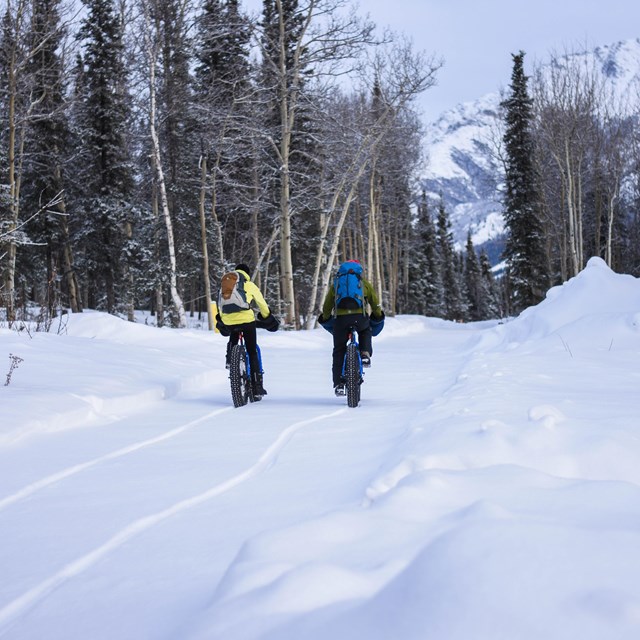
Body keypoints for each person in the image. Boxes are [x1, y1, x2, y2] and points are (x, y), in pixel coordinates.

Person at [318, 260, 384, 397]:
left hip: (340, 321)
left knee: (339, 350)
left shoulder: (336, 284)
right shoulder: (363, 283)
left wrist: (326, 317)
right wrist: (377, 316)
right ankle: (365, 353)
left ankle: (339, 384)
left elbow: (327, 306)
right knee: (365, 331)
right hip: (360, 318)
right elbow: (374, 302)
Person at [215, 263, 279, 397]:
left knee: (234, 333)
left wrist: (223, 320)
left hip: (227, 320)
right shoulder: (248, 285)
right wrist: (268, 318)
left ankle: (230, 359)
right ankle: (257, 388)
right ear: (247, 274)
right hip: (246, 320)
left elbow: (220, 304)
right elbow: (262, 303)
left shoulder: (226, 284)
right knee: (251, 350)